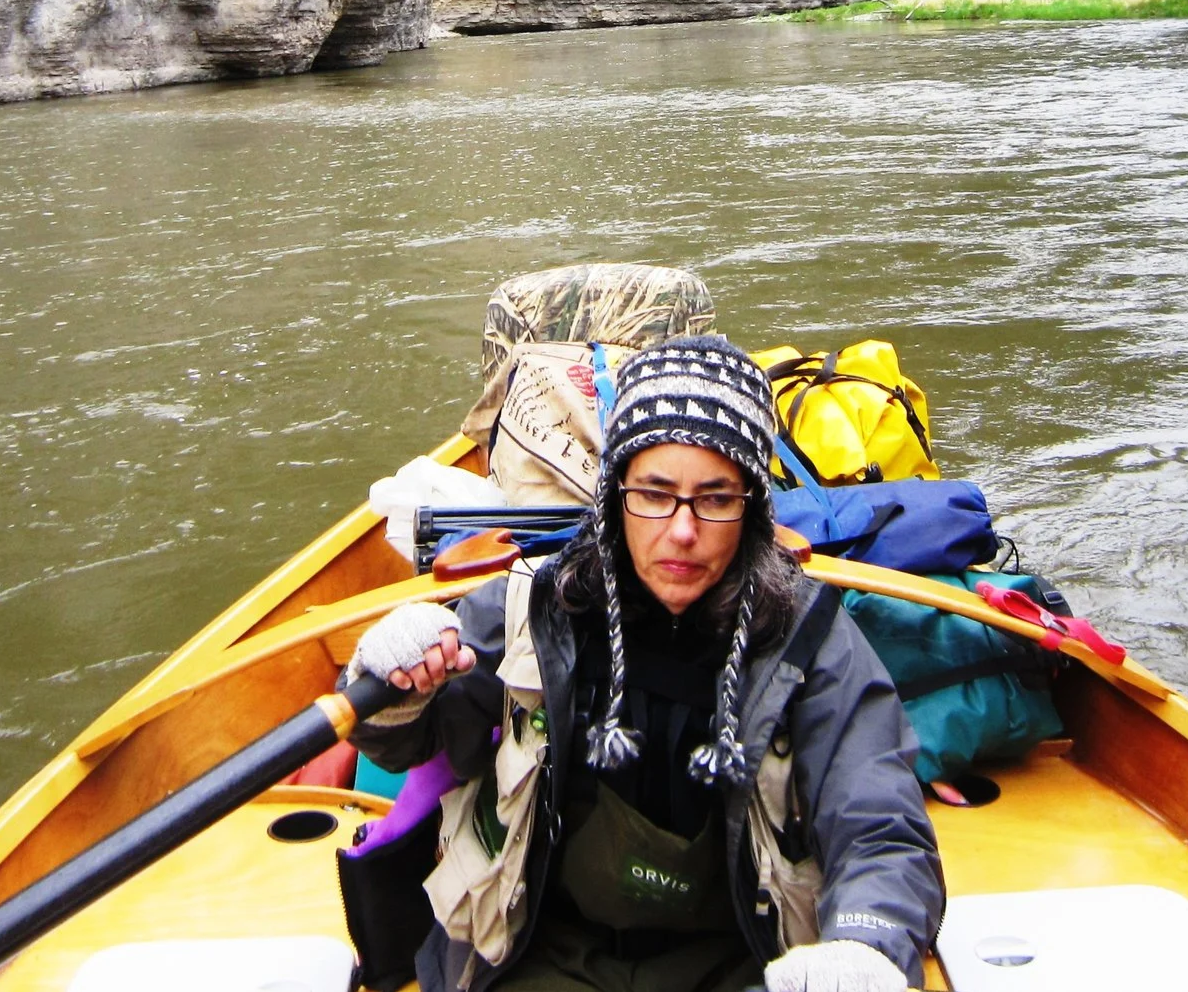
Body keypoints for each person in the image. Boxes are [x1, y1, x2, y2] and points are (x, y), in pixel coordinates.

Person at [350, 336, 944, 992]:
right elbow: (412, 739)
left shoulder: (808, 635)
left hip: (743, 958)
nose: (682, 530)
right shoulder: (532, 606)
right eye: (654, 493)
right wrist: (393, 689)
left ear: (750, 508)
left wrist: (865, 942)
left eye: (715, 498)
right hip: (544, 953)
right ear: (614, 497)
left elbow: (879, 829)